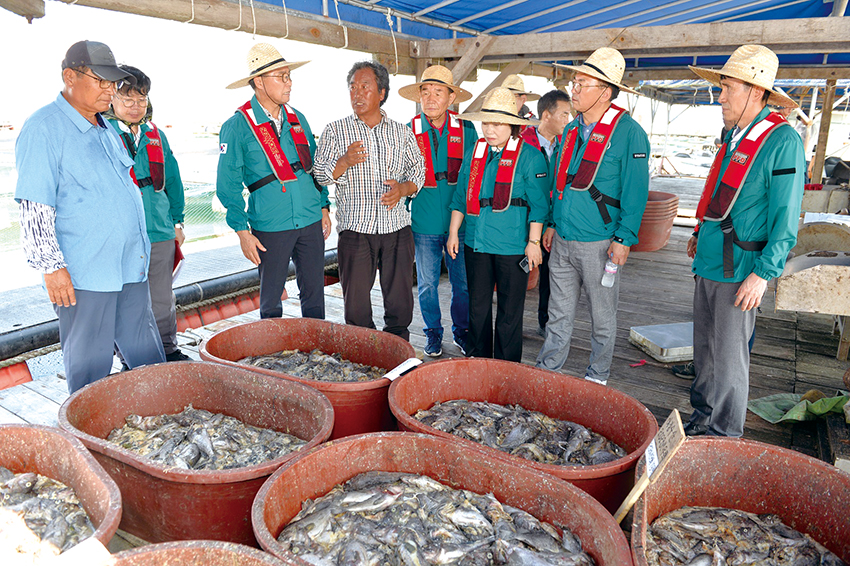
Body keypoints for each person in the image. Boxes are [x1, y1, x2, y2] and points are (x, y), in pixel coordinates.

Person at [15, 40, 165, 393]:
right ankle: (89, 439)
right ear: (70, 76)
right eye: (101, 80)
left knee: (149, 359)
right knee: (89, 370)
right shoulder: (43, 128)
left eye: (112, 82)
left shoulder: (107, 128)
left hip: (130, 266)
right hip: (86, 275)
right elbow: (36, 207)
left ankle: (158, 425)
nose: (110, 89)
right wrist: (52, 267)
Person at [684, 45, 805, 437]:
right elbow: (718, 196)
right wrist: (698, 232)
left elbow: (785, 218)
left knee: (729, 356)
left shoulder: (782, 140)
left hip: (740, 270)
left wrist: (764, 274)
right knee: (704, 350)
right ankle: (703, 418)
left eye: (727, 87)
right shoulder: (734, 136)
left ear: (755, 91)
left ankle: (724, 434)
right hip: (709, 262)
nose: (720, 97)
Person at [536, 47, 650, 386]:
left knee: (602, 317)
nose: (574, 89)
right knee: (558, 313)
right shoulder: (570, 132)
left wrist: (624, 239)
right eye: (575, 82)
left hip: (601, 243)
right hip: (563, 239)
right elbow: (559, 181)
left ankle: (597, 376)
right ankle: (549, 371)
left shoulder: (629, 133)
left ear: (605, 91)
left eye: (582, 83)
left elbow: (635, 192)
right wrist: (553, 224)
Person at [217, 44, 331, 320]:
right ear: (258, 82)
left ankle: (317, 351)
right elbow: (227, 185)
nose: (289, 82)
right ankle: (270, 359)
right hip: (270, 224)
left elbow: (314, 167)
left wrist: (324, 207)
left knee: (314, 295)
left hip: (310, 219)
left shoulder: (297, 118)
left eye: (289, 75)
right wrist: (242, 232)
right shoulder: (237, 126)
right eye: (281, 76)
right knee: (270, 301)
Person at [314, 61, 425, 340]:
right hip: (355, 230)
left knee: (400, 303)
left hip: (397, 228)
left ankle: (398, 351)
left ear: (382, 93)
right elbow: (319, 175)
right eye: (353, 87)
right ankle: (364, 357)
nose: (357, 94)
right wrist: (343, 162)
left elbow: (419, 170)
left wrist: (402, 189)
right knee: (357, 307)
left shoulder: (402, 132)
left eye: (365, 87)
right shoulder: (335, 130)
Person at [446, 87, 549, 362]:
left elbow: (539, 206)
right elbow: (460, 197)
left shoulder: (531, 156)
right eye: (486, 122)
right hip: (475, 244)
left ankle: (506, 369)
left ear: (513, 125)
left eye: (498, 123)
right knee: (477, 308)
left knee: (509, 312)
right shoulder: (475, 151)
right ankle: (478, 362)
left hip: (512, 246)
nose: (490, 129)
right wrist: (454, 231)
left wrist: (534, 242)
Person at [105, 65, 190, 365]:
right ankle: (130, 359)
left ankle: (168, 350)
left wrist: (178, 221)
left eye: (141, 99)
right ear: (111, 98)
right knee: (126, 301)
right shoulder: (101, 133)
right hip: (123, 236)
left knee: (163, 300)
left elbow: (175, 181)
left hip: (160, 232)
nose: (135, 106)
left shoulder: (157, 135)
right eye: (128, 99)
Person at [398, 65, 477, 357]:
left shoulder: (467, 129)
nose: (431, 98)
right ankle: (432, 332)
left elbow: (475, 175)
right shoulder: (407, 130)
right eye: (426, 92)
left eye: (438, 92)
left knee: (463, 284)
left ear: (450, 97)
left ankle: (462, 331)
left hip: (460, 221)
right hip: (424, 221)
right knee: (428, 284)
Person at [520, 89, 572, 336]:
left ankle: (545, 323)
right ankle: (512, 325)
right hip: (523, 222)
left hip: (554, 224)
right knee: (518, 276)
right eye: (564, 114)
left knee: (552, 278)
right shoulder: (520, 141)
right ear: (546, 115)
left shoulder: (569, 145)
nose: (568, 119)